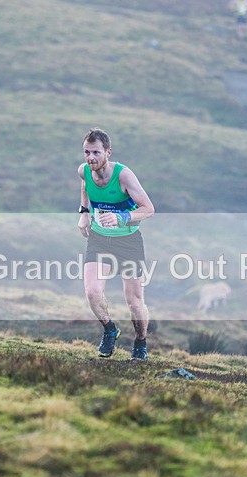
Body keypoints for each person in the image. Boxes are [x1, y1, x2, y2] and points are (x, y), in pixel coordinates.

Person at [77, 128, 155, 361]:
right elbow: (85, 187)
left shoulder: (123, 176)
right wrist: (83, 213)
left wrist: (121, 218)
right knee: (92, 292)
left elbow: (148, 210)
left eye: (96, 153)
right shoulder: (84, 171)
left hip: (128, 241)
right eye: (87, 152)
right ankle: (110, 329)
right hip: (99, 239)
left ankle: (140, 342)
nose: (91, 158)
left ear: (108, 152)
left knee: (134, 302)